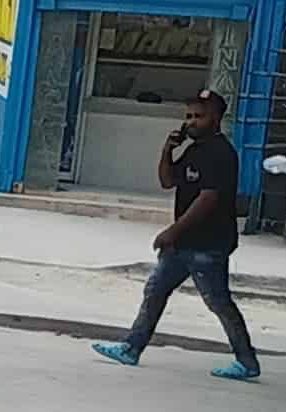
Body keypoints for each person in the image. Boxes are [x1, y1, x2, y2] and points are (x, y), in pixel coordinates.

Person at [93, 89, 262, 382]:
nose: (192, 122)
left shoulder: (221, 154)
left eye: (199, 116)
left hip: (209, 244)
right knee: (155, 290)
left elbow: (208, 199)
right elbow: (167, 181)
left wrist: (172, 231)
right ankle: (132, 347)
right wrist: (167, 151)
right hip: (184, 243)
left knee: (218, 302)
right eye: (188, 116)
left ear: (216, 119)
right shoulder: (194, 150)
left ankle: (246, 361)